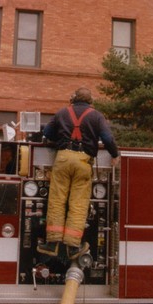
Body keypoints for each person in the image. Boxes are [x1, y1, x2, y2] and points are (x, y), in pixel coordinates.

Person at [38, 87, 118, 261]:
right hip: (83, 161)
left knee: (57, 200)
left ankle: (52, 243)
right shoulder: (97, 116)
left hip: (62, 159)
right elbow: (107, 138)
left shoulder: (62, 112)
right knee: (78, 204)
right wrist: (114, 154)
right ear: (90, 101)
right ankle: (73, 247)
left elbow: (47, 133)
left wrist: (60, 138)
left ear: (73, 99)